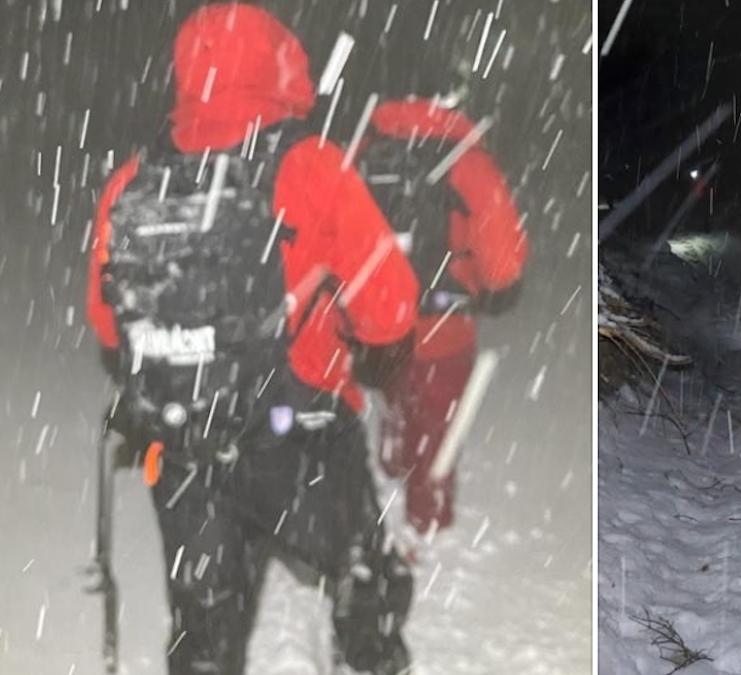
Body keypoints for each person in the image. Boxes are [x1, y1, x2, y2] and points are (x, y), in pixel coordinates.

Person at [86, 5, 417, 673]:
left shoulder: (134, 179)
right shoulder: (310, 165)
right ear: (282, 67)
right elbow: (393, 310)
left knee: (204, 629)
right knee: (364, 583)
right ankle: (369, 647)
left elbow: (105, 320)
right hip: (302, 437)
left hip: (184, 445)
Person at [358, 98, 528, 535]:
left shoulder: (367, 149)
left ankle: (395, 446)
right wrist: (497, 288)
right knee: (436, 420)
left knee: (398, 389)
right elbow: (502, 255)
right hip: (444, 323)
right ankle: (427, 515)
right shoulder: (468, 161)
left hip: (380, 320)